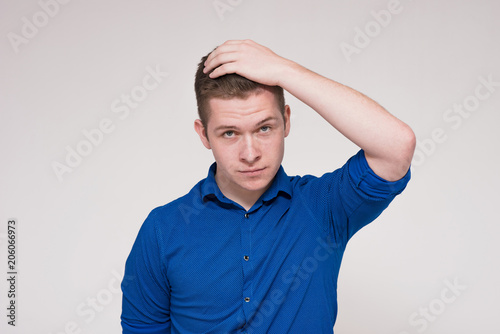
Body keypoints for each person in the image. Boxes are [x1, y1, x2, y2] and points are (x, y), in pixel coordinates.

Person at [121, 39, 416, 333]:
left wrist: (283, 70)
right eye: (229, 133)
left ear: (286, 121)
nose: (250, 154)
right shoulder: (162, 229)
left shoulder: (323, 207)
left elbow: (396, 146)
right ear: (204, 134)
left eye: (264, 128)